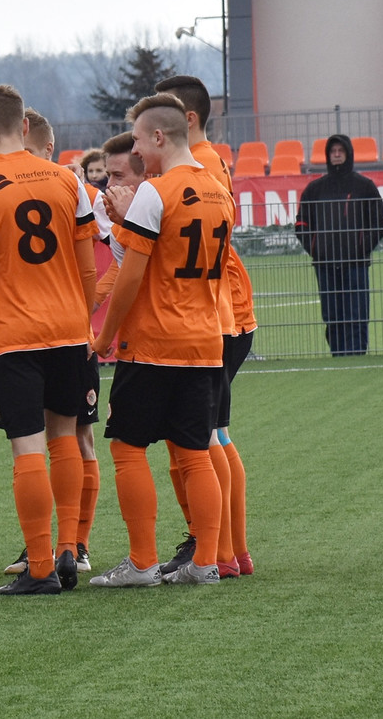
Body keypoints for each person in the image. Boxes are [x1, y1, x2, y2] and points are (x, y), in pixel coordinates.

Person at [0, 85, 99, 595]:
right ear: (27, 127)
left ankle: (38, 568)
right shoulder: (67, 181)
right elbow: (87, 269)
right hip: (68, 331)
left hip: (14, 337)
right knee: (66, 439)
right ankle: (71, 549)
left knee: (27, 448)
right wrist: (81, 319)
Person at [89, 92, 231, 587]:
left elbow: (130, 275)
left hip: (153, 342)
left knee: (128, 447)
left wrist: (105, 336)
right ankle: (206, 561)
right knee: (194, 451)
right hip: (204, 340)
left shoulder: (157, 191)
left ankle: (143, 563)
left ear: (158, 136)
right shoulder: (219, 190)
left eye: (139, 144)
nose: (136, 156)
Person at [154, 74, 256, 579]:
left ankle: (214, 548)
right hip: (220, 312)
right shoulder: (208, 162)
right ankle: (226, 550)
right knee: (210, 434)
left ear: (185, 119)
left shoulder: (199, 166)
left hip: (212, 314)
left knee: (200, 438)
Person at [0, 108, 110, 577]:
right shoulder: (66, 190)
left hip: (45, 334)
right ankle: (48, 546)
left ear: (47, 149)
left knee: (74, 439)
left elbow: (117, 249)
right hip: (57, 331)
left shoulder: (79, 191)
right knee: (47, 438)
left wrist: (91, 306)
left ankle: (76, 543)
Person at [296, 134, 383, 356]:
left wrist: (361, 247)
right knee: (332, 316)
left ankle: (357, 356)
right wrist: (317, 248)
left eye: (341, 151)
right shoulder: (314, 189)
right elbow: (301, 225)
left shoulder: (364, 186)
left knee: (357, 314)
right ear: (328, 156)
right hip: (325, 265)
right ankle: (338, 357)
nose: (336, 155)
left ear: (348, 154)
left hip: (356, 264)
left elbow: (379, 223)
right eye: (333, 151)